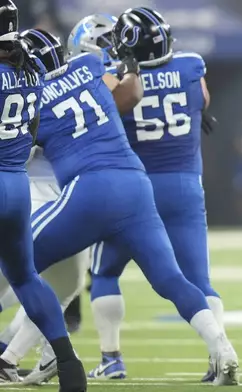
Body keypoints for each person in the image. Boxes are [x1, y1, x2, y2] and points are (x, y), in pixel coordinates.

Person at [0, 25, 238, 386]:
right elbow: (125, 87)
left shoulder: (35, 94)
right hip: (135, 184)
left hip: (89, 191)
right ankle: (222, 348)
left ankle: (43, 354)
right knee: (170, 279)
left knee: (21, 265)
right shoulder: (91, 65)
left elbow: (22, 147)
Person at [85, 7, 236, 384]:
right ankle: (219, 354)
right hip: (185, 185)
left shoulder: (116, 77)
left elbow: (106, 116)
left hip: (136, 189)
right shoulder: (191, 64)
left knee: (104, 272)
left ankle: (111, 358)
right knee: (199, 280)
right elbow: (202, 100)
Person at [0, 2, 86, 390]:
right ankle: (68, 365)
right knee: (27, 279)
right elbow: (33, 129)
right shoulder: (32, 72)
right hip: (17, 186)